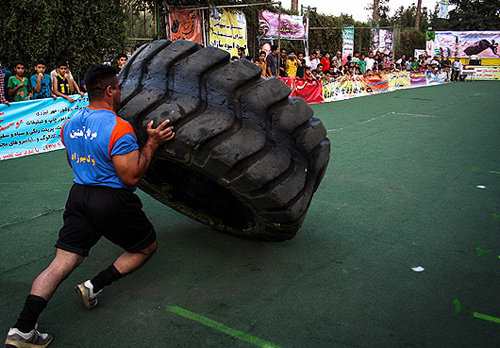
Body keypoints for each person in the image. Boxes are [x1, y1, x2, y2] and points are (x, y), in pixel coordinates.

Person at [3, 64, 175, 348]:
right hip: (111, 200)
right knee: (145, 247)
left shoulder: (68, 125)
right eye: (118, 87)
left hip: (79, 195)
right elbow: (131, 174)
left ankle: (22, 329)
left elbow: (74, 161)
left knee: (60, 264)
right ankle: (94, 285)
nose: (120, 92)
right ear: (109, 90)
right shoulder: (119, 128)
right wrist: (153, 143)